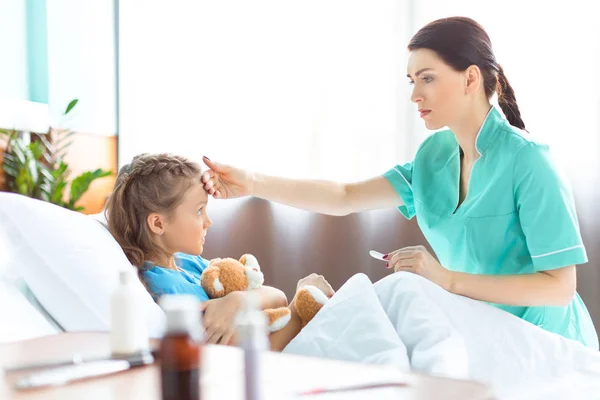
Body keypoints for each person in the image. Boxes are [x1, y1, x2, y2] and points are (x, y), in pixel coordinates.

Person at [200, 17, 598, 349]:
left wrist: (445, 280)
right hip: (477, 332)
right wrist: (251, 182)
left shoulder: (529, 160)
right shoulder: (434, 157)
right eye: (411, 81)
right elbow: (344, 197)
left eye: (427, 79)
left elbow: (559, 287)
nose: (415, 95)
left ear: (471, 78)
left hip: (546, 344)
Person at [105, 153, 335, 351]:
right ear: (157, 223)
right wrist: (300, 306)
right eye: (198, 211)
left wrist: (238, 300)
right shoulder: (169, 289)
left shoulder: (189, 263)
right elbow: (249, 352)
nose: (208, 221)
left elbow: (277, 296)